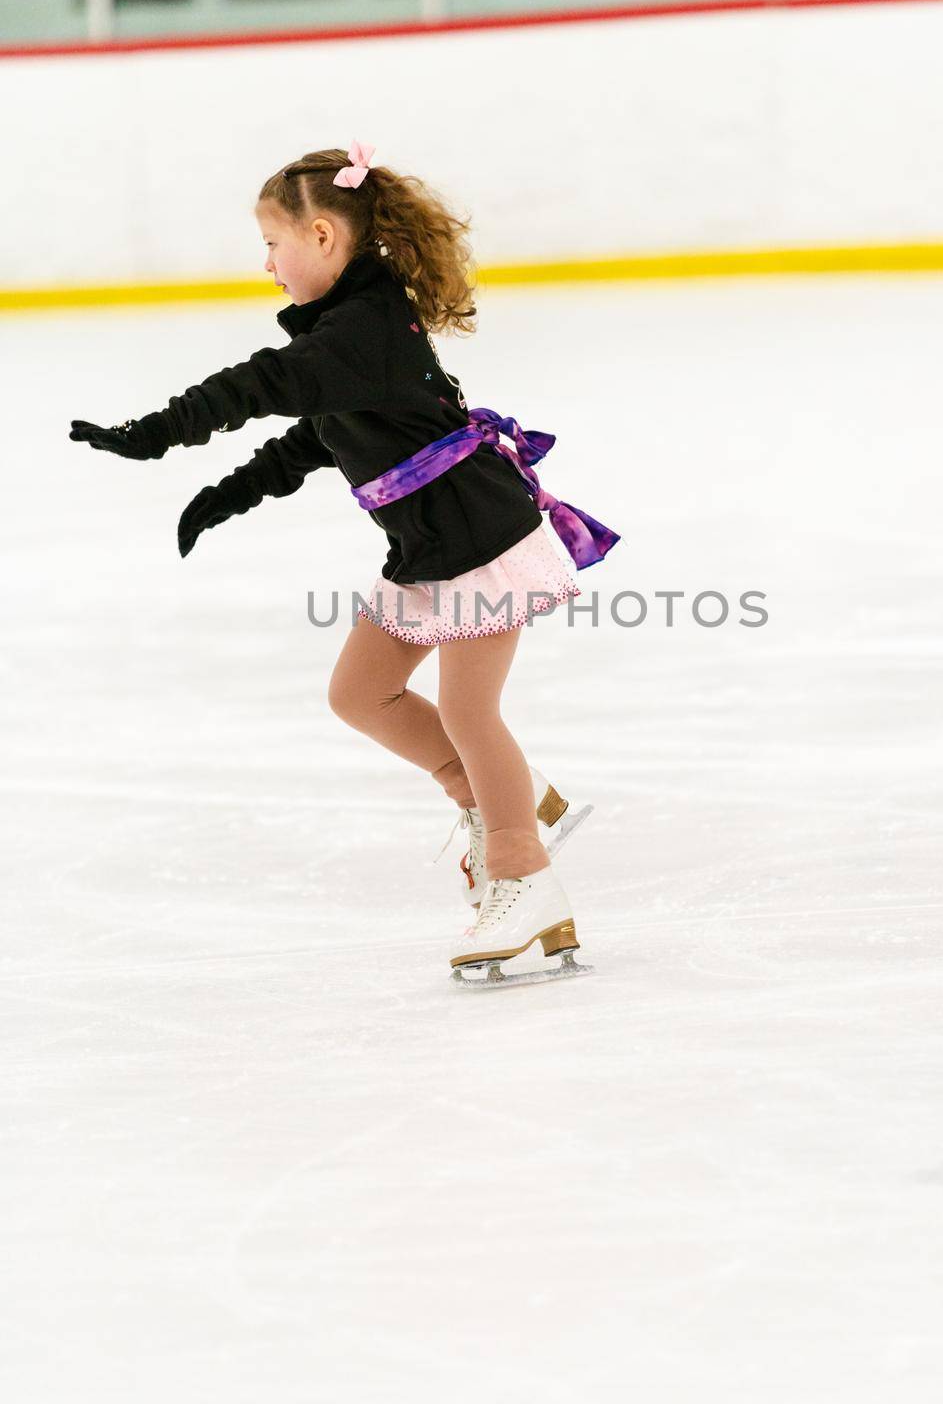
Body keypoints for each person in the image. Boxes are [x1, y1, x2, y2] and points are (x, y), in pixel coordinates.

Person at [69, 139, 620, 986]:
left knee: (472, 716)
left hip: (480, 537)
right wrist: (226, 494)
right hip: (428, 544)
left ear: (323, 237)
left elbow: (259, 386)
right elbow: (313, 437)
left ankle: (524, 876)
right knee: (360, 693)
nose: (266, 265)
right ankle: (498, 795)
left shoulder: (359, 331)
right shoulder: (347, 334)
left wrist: (153, 435)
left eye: (273, 244)